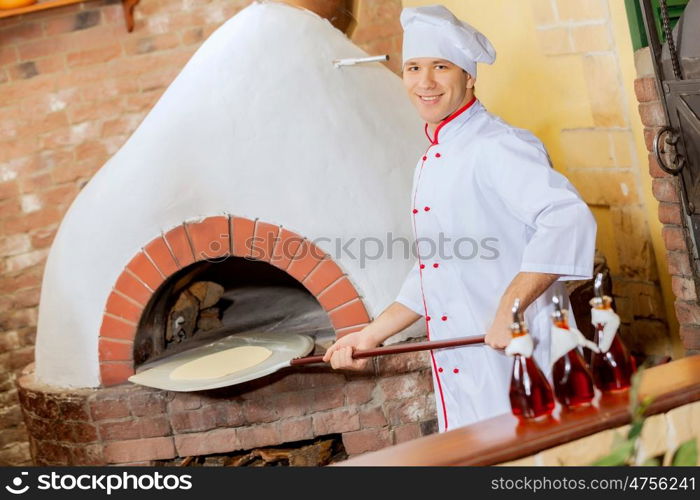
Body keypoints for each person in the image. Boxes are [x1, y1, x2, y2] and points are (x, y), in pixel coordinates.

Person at [323, 5, 597, 432]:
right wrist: (371, 335)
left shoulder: (498, 146)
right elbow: (436, 267)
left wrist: (509, 307)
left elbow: (567, 218)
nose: (425, 82)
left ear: (468, 76)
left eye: (441, 67)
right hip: (465, 367)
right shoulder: (432, 158)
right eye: (414, 67)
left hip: (519, 357)